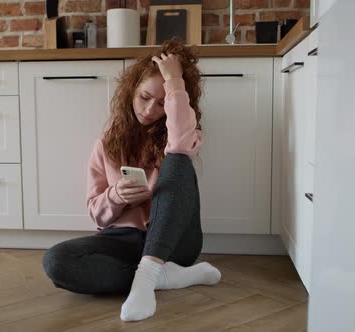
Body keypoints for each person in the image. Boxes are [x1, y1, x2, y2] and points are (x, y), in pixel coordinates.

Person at [42, 40, 221, 322]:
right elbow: (96, 214)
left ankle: (149, 272)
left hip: (176, 242)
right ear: (130, 91)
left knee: (178, 159)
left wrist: (175, 80)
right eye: (144, 97)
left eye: (162, 103)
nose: (150, 110)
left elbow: (181, 143)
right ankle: (163, 277)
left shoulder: (184, 133)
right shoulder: (106, 145)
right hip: (122, 240)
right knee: (57, 261)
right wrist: (116, 196)